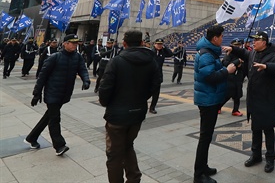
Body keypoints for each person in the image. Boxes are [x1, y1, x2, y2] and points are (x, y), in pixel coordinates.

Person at [98, 30, 161, 183]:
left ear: (124, 44)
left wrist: (107, 103)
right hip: (138, 113)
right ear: (141, 43)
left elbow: (105, 89)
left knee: (114, 154)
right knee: (127, 145)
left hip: (117, 116)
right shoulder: (152, 61)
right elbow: (155, 85)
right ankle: (134, 179)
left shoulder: (116, 61)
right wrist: (141, 99)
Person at [228, 31, 275, 173]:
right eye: (253, 40)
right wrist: (233, 49)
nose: (254, 42)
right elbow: (244, 53)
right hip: (254, 99)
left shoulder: (273, 55)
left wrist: (267, 67)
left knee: (268, 129)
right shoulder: (253, 53)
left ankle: (270, 158)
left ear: (264, 42)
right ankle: (256, 155)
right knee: (255, 128)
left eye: (257, 40)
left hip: (267, 100)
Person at [25, 34, 90, 155]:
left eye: (76, 43)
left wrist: (86, 80)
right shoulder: (55, 57)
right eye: (72, 42)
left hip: (64, 94)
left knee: (48, 116)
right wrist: (36, 93)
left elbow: (82, 69)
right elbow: (42, 76)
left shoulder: (78, 57)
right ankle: (59, 145)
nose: (75, 45)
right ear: (65, 44)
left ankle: (31, 138)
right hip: (52, 93)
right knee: (55, 118)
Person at [194, 25, 238, 183]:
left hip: (210, 98)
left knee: (206, 136)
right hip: (207, 100)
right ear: (214, 38)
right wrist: (228, 71)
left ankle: (203, 167)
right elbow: (210, 77)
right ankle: (199, 175)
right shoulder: (206, 54)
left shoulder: (209, 51)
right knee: (205, 137)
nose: (222, 39)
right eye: (221, 36)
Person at [219, 38, 245, 116]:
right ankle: (218, 106)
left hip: (238, 77)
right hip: (230, 78)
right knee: (228, 94)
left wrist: (241, 66)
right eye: (235, 45)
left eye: (238, 45)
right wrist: (237, 62)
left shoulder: (241, 54)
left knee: (237, 95)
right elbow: (225, 63)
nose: (237, 47)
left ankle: (235, 110)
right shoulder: (229, 54)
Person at [149, 38, 173, 114]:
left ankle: (152, 107)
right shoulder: (150, 52)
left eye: (161, 44)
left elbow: (170, 54)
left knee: (156, 94)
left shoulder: (163, 51)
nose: (159, 46)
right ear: (154, 44)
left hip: (158, 76)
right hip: (149, 75)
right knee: (146, 92)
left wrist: (165, 47)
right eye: (158, 44)